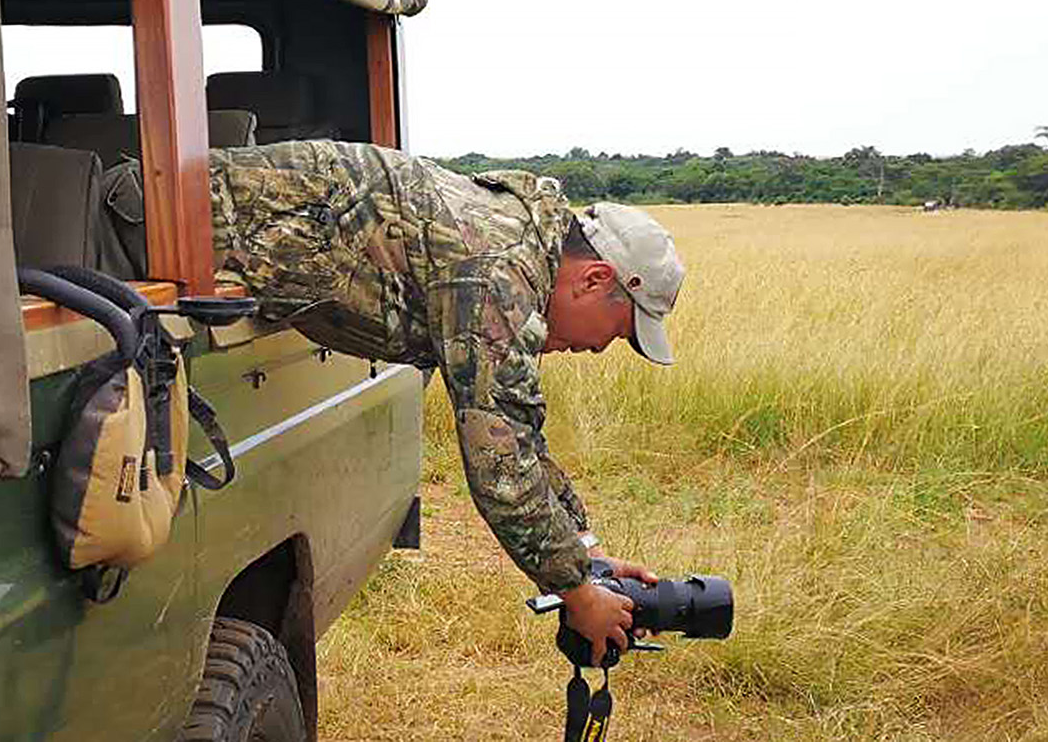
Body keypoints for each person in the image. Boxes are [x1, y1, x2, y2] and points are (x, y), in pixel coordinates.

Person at [192, 139, 686, 661]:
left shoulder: (518, 251)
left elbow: (520, 437)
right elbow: (502, 471)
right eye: (616, 331)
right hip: (159, 227)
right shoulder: (498, 273)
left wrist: (588, 558)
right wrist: (580, 594)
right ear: (594, 280)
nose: (596, 348)